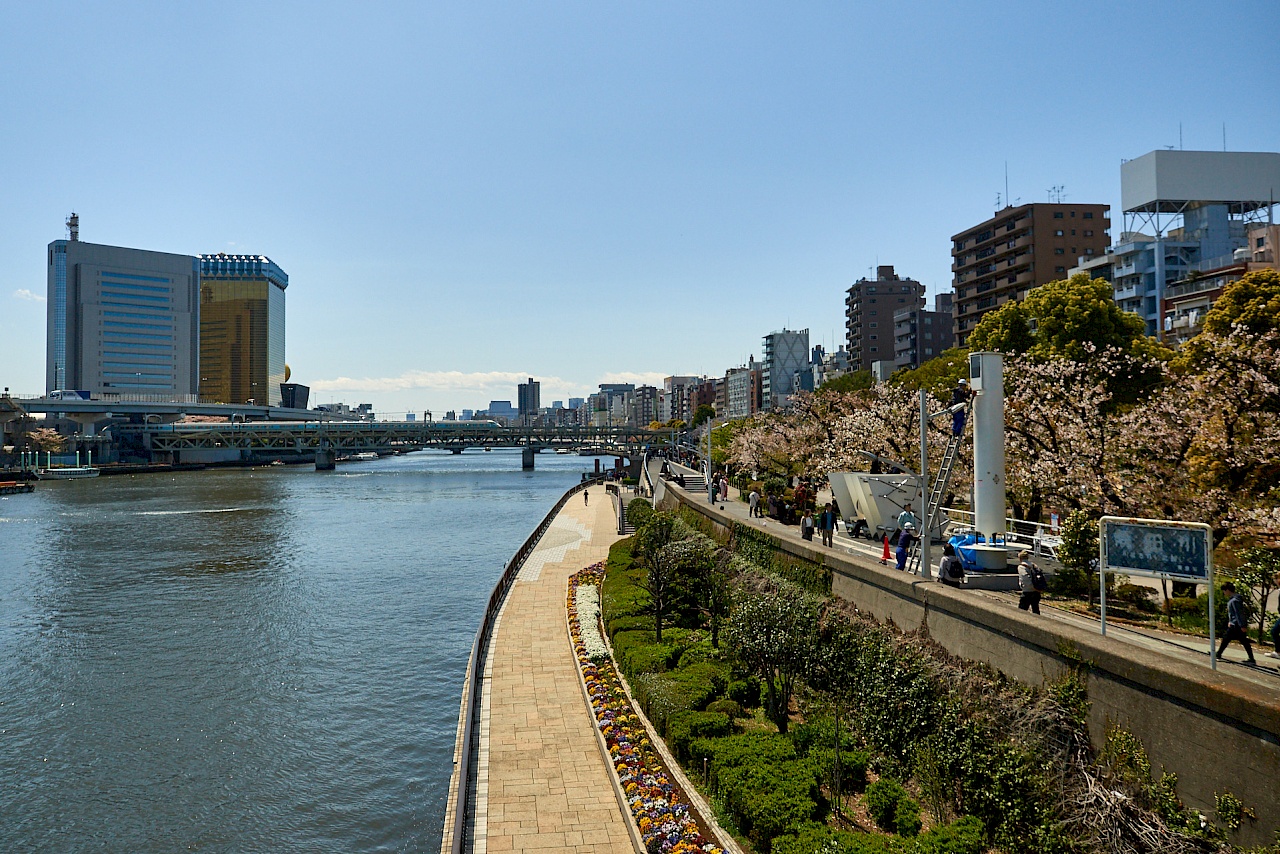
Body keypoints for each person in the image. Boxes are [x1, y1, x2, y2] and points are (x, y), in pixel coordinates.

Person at [1216, 582, 1256, 665]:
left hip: (1236, 624)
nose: (1224, 593)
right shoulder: (1235, 599)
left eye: (1224, 591)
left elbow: (1239, 613)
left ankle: (1218, 654)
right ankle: (1251, 659)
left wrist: (1242, 625)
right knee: (1243, 641)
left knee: (1226, 639)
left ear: (1227, 590)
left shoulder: (1235, 601)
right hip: (1235, 623)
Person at [1017, 550, 1043, 614]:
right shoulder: (1034, 565)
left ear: (1020, 558)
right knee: (1035, 609)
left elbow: (1025, 579)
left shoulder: (1021, 567)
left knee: (1021, 611)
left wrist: (1029, 587)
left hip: (1027, 591)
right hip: (1036, 591)